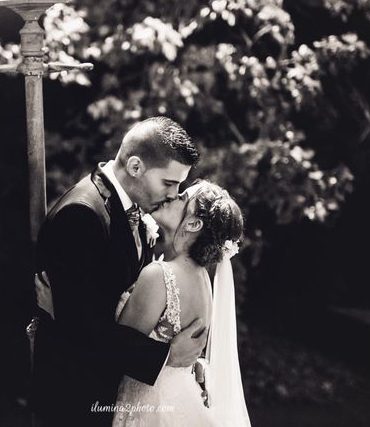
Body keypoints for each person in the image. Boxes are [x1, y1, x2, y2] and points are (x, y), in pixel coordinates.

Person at [30, 117, 206, 426]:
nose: (173, 194)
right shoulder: (82, 215)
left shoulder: (134, 209)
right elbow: (82, 327)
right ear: (136, 167)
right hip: (75, 397)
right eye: (168, 183)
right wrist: (166, 358)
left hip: (111, 391)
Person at [37, 180, 252, 426]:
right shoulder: (201, 277)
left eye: (182, 197)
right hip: (181, 398)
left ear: (193, 224)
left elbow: (112, 353)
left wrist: (62, 312)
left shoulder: (160, 274)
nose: (172, 196)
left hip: (149, 406)